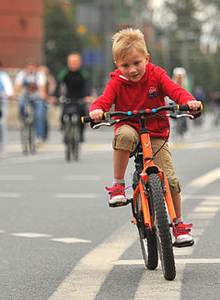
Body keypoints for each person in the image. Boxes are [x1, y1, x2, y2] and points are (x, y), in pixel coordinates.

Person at [88, 28, 201, 245]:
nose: (132, 70)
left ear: (147, 59)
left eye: (137, 63)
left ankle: (178, 224)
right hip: (130, 127)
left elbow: (175, 90)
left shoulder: (156, 75)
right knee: (123, 136)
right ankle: (118, 184)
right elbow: (103, 101)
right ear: (117, 65)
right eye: (125, 65)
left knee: (171, 180)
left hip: (156, 133)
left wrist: (190, 102)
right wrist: (96, 110)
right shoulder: (116, 82)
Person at [53, 52, 92, 143]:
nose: (73, 63)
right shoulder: (65, 73)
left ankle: (81, 133)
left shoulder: (83, 73)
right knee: (63, 115)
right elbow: (58, 84)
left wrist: (87, 95)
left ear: (80, 62)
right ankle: (65, 130)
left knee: (83, 115)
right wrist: (55, 96)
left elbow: (88, 84)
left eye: (76, 61)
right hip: (68, 98)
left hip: (80, 99)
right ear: (68, 62)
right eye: (71, 61)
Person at [14, 59, 47, 142]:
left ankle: (38, 136)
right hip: (25, 96)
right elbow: (17, 86)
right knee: (21, 104)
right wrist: (15, 94)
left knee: (39, 115)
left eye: (32, 67)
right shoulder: (22, 74)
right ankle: (22, 120)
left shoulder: (40, 75)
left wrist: (42, 94)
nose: (31, 69)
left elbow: (42, 87)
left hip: (37, 97)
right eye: (29, 67)